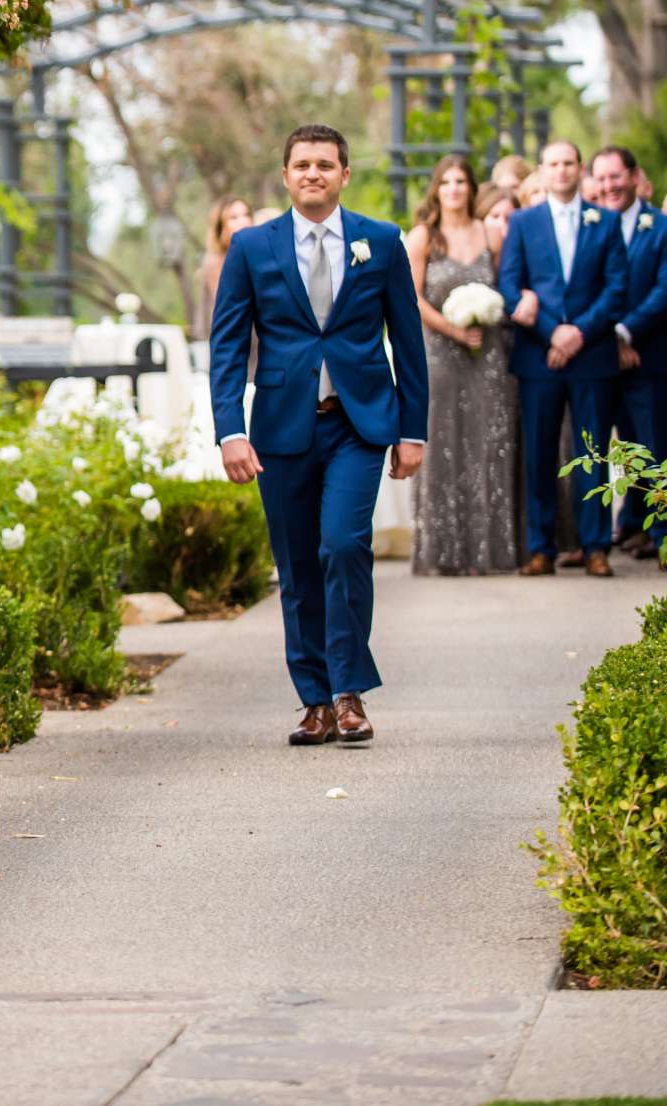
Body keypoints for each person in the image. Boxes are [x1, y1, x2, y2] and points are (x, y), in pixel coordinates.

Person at [209, 125, 427, 747]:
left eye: (325, 165)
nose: (313, 173)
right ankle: (314, 701)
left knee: (343, 546)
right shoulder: (252, 247)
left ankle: (350, 692)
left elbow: (407, 342)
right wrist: (229, 430)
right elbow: (227, 347)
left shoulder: (380, 242)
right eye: (302, 164)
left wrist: (413, 430)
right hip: (281, 429)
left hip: (359, 425)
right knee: (298, 566)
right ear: (285, 176)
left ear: (344, 174)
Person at [499, 139, 627, 578]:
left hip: (592, 355)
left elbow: (616, 289)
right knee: (540, 452)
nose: (561, 170)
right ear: (543, 170)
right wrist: (552, 331)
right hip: (540, 357)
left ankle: (595, 546)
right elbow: (510, 285)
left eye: (569, 163)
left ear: (580, 168)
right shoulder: (523, 221)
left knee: (592, 452)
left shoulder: (606, 223)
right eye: (553, 164)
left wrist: (578, 333)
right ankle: (541, 547)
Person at [406, 155, 517, 576]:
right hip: (441, 352)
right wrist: (453, 330)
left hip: (487, 354)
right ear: (436, 189)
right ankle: (443, 551)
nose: (454, 189)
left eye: (461, 182)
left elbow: (505, 284)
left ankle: (488, 550)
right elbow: (412, 299)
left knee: (489, 441)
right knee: (444, 442)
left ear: (472, 188)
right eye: (446, 182)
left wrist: (487, 315)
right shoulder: (422, 237)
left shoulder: (490, 234)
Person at [587, 147, 667, 559]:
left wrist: (626, 332)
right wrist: (608, 337)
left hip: (650, 356)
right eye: (602, 178)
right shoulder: (589, 228)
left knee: (655, 446)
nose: (609, 186)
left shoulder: (665, 228)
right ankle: (609, 533)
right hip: (597, 354)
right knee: (598, 449)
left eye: (616, 176)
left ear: (634, 176)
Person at [197, 194, 254, 334]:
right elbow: (229, 307)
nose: (243, 221)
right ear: (221, 227)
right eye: (233, 218)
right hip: (235, 337)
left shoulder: (257, 253)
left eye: (246, 215)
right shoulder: (214, 261)